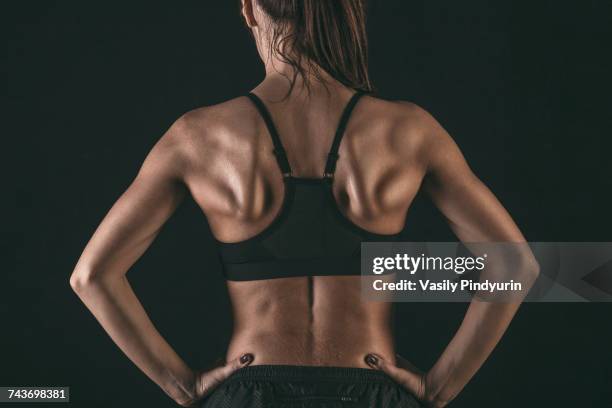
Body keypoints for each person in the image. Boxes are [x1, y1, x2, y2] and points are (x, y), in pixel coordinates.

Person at [70, 0, 538, 406]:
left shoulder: (197, 137)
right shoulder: (410, 131)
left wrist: (184, 387)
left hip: (249, 392)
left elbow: (92, 277)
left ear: (249, 8)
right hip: (372, 389)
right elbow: (516, 266)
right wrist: (438, 389)